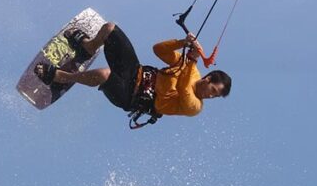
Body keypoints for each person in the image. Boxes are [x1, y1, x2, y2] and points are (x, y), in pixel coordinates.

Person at [34, 22, 231, 124]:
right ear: (208, 78)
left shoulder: (195, 107)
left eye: (214, 96)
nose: (210, 96)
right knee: (110, 28)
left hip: (132, 98)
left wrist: (192, 60)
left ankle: (60, 78)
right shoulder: (190, 68)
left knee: (104, 74)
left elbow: (182, 88)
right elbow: (158, 50)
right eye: (213, 90)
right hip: (136, 72)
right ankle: (88, 46)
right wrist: (182, 43)